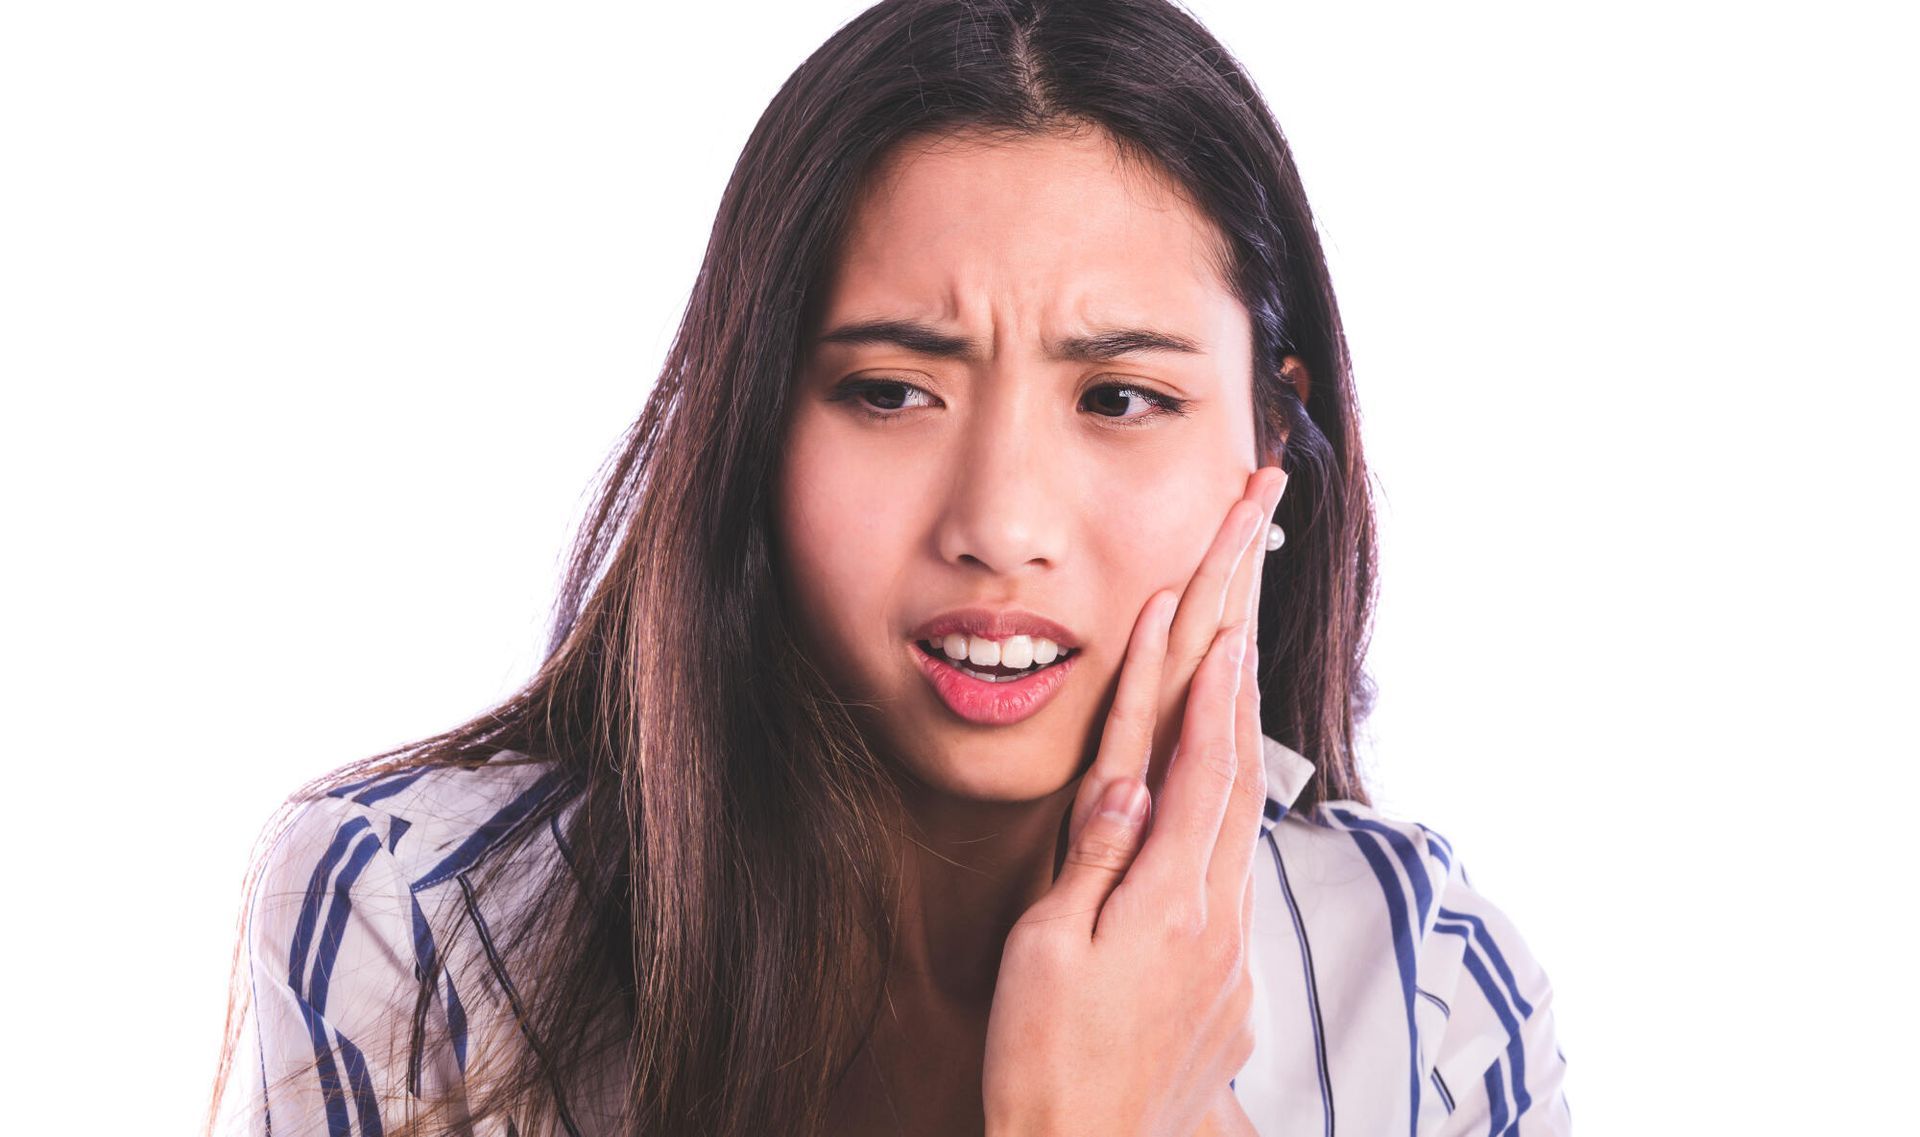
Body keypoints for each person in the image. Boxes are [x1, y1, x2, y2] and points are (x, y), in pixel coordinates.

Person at [207, 1, 1573, 1133]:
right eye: (891, 390)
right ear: (753, 427)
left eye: (1118, 399)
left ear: (1268, 441)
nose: (1000, 521)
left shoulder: (1425, 1000)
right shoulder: (416, 920)